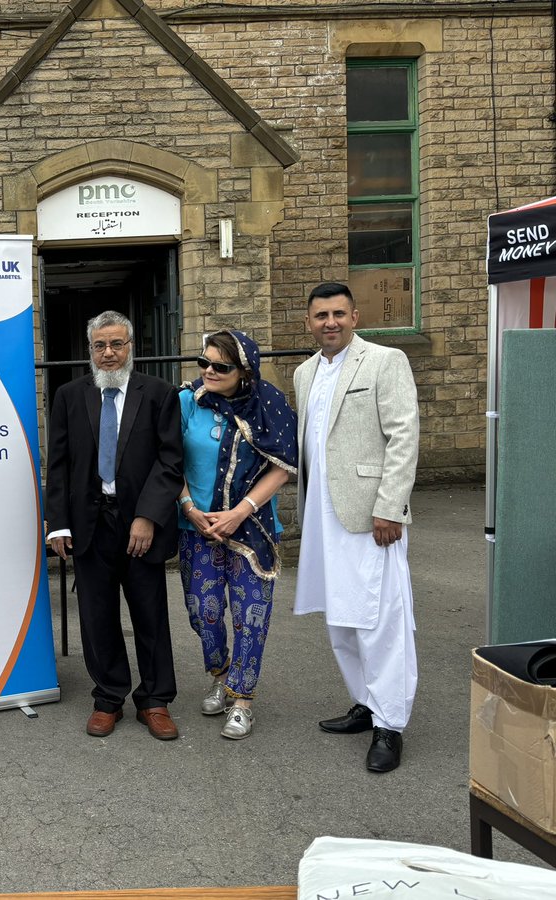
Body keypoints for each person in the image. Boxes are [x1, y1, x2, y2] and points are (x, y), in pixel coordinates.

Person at [292, 282, 419, 774]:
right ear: (309, 321)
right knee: (341, 617)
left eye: (339, 314)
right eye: (321, 315)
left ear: (355, 316)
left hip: (370, 516)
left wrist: (390, 506)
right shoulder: (305, 372)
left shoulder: (385, 361)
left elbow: (404, 435)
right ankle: (365, 703)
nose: (330, 322)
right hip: (323, 517)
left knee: (379, 619)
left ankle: (391, 724)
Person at [45, 311, 184, 740]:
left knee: (150, 613)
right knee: (96, 615)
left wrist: (147, 517)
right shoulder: (70, 396)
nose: (108, 353)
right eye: (100, 346)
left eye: (116, 344)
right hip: (89, 523)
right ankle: (108, 698)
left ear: (130, 348)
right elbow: (60, 464)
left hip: (139, 524)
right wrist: (58, 525)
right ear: (90, 350)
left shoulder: (159, 394)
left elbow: (170, 461)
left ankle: (155, 700)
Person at [176, 329, 297, 740]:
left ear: (244, 372)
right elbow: (167, 458)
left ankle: (243, 698)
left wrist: (239, 512)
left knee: (250, 616)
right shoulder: (188, 402)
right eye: (203, 362)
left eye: (220, 366)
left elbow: (283, 465)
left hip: (251, 529)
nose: (208, 371)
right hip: (196, 527)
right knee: (203, 611)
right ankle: (221, 675)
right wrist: (189, 508)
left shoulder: (269, 404)